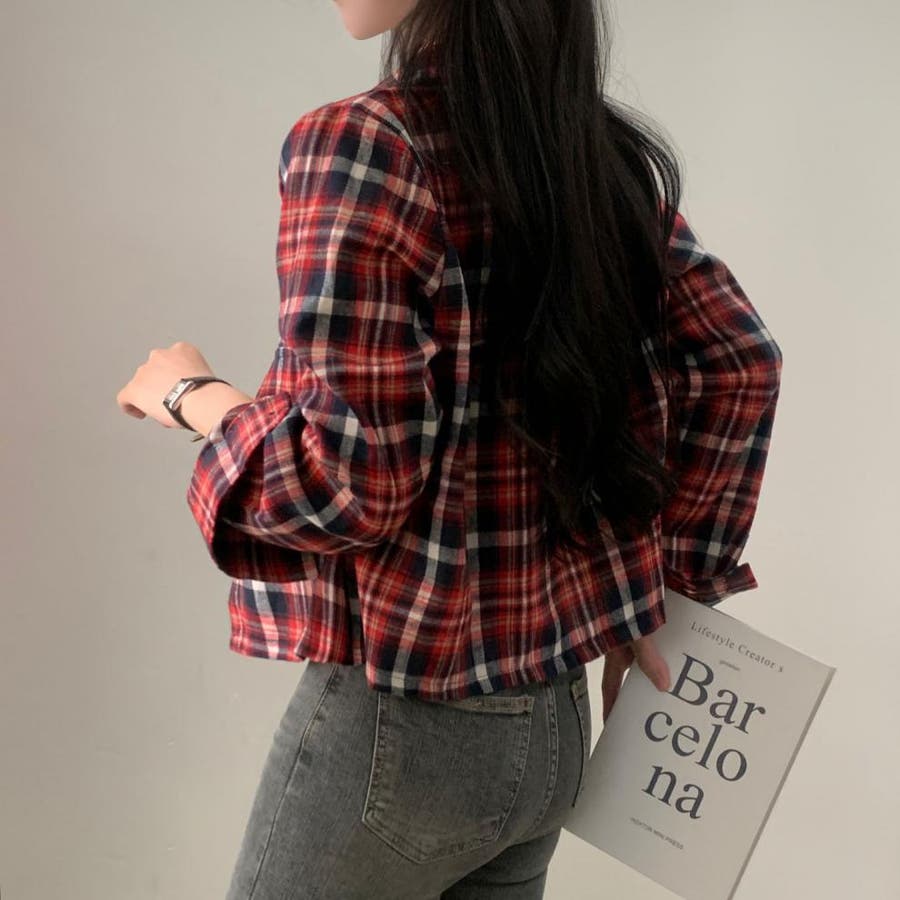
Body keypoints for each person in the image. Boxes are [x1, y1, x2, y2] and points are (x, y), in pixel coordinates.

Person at [116, 1, 783, 897]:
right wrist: (669, 589)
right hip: (554, 728)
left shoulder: (362, 147)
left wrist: (196, 398)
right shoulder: (588, 152)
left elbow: (345, 485)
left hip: (402, 732)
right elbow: (740, 360)